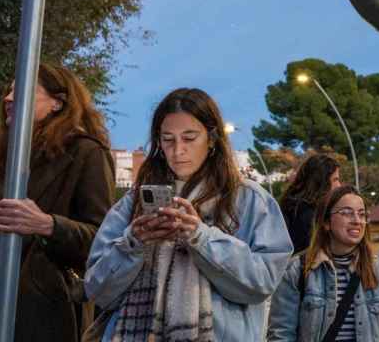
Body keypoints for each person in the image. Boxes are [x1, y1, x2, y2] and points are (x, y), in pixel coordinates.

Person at [84, 87, 292, 341]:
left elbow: (262, 283)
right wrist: (133, 243)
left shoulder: (250, 199)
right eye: (168, 139)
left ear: (212, 139)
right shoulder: (132, 202)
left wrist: (201, 238)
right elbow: (97, 289)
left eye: (189, 138)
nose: (177, 150)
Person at [0, 62, 116, 342]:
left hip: (46, 317)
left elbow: (104, 243)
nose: (8, 98)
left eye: (23, 90)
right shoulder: (10, 159)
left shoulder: (87, 152)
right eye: (9, 90)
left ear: (58, 104)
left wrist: (48, 225)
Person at [268, 184, 379, 342]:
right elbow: (281, 334)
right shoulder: (298, 270)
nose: (357, 221)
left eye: (362, 214)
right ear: (326, 222)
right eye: (346, 213)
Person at [280, 152, 342, 254]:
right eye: (335, 180)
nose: (339, 185)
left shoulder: (292, 207)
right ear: (322, 182)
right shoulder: (307, 214)